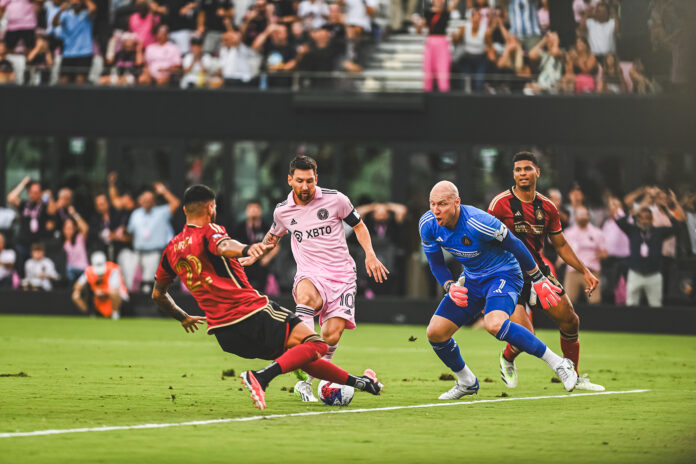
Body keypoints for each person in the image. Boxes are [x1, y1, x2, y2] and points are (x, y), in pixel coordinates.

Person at [151, 184, 383, 410]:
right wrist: (244, 249)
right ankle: (261, 378)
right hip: (250, 313)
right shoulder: (210, 230)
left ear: (184, 210)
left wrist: (182, 317)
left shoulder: (171, 250)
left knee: (303, 356)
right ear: (211, 207)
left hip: (224, 335)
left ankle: (360, 383)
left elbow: (158, 294)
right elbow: (222, 246)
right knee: (318, 344)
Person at [245, 155, 389, 403]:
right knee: (306, 299)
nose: (305, 186)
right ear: (290, 180)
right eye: (299, 180)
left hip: (342, 276)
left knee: (331, 336)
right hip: (309, 274)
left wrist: (370, 255)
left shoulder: (336, 200)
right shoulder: (283, 211)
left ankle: (305, 383)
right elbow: (272, 238)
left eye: (309, 181)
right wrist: (254, 253)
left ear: (316, 179)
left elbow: (359, 226)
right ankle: (302, 345)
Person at [421, 181, 577, 399]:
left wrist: (538, 278)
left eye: (442, 204)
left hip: (503, 274)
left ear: (457, 202)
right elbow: (437, 264)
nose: (436, 210)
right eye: (432, 204)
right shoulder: (428, 224)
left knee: (493, 324)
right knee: (435, 333)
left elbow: (515, 244)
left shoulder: (478, 222)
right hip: (472, 278)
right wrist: (449, 285)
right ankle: (467, 382)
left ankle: (560, 364)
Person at [488, 152, 604, 391]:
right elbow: (485, 241)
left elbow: (560, 245)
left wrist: (585, 271)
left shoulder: (548, 207)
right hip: (508, 274)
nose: (522, 173)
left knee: (571, 321)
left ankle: (573, 374)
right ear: (514, 174)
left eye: (527, 168)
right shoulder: (499, 204)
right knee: (524, 336)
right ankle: (507, 358)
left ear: (537, 172)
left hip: (537, 272)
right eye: (518, 169)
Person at [616, 206, 682, 307]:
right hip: (635, 273)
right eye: (641, 218)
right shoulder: (633, 230)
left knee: (655, 305)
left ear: (652, 219)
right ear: (638, 219)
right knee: (631, 304)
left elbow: (677, 228)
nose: (644, 221)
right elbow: (619, 221)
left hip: (653, 275)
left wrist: (667, 212)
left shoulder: (658, 232)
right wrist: (631, 212)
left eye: (647, 218)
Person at [126, 183, 180, 291]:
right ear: (140, 200)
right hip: (137, 253)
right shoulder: (135, 214)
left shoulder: (161, 212)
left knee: (148, 277)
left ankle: (146, 294)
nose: (146, 201)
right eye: (144, 198)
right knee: (127, 263)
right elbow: (130, 234)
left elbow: (176, 203)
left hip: (153, 253)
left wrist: (164, 191)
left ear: (153, 201)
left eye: (149, 199)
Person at [562, 205, 606, 304]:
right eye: (580, 215)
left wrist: (597, 256)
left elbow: (604, 252)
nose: (583, 217)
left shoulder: (597, 233)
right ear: (576, 217)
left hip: (592, 271)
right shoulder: (569, 233)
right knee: (568, 302)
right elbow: (562, 249)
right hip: (573, 271)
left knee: (595, 302)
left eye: (585, 214)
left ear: (589, 216)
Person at [231, 200, 279, 290]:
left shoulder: (266, 226)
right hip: (245, 265)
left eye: (256, 208)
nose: (253, 211)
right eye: (251, 209)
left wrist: (267, 258)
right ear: (246, 211)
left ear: (260, 211)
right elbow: (233, 246)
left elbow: (276, 245)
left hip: (261, 265)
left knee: (262, 291)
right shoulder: (239, 227)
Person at [416, 0, 458, 93]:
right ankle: (427, 96)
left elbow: (454, 2)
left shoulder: (446, 12)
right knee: (428, 72)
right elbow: (419, 31)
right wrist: (418, 24)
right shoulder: (427, 13)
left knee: (443, 73)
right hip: (430, 42)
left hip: (442, 43)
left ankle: (444, 96)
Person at [73, 251, 128, 319]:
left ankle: (115, 313)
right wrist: (78, 290)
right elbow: (77, 285)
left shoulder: (113, 268)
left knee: (113, 292)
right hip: (100, 299)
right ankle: (88, 313)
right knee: (75, 295)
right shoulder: (89, 271)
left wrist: (102, 291)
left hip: (118, 297)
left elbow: (115, 288)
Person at [54, 0, 97, 84]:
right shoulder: (65, 15)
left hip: (84, 53)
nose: (75, 4)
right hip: (68, 53)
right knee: (63, 81)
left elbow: (93, 8)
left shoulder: (86, 15)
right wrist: (60, 11)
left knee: (80, 81)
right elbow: (55, 23)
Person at [62, 206, 90, 282]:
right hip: (71, 273)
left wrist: (74, 214)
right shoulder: (64, 244)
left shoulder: (79, 238)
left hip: (84, 270)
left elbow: (85, 228)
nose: (69, 231)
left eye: (71, 228)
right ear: (63, 230)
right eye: (67, 228)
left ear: (74, 229)